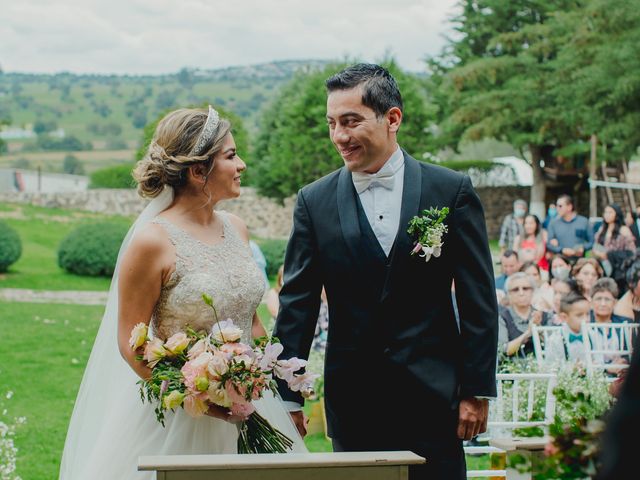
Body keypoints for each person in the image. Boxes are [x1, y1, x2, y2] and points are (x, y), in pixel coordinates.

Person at [273, 64, 498, 479]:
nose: (339, 136)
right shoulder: (313, 202)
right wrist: (287, 398)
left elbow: (478, 298)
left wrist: (477, 390)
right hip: (355, 401)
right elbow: (297, 306)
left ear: (392, 118)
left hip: (437, 398)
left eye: (351, 121)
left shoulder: (450, 191)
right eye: (332, 123)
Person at [59, 107, 305, 479]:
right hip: (179, 415)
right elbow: (132, 343)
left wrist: (275, 378)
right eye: (231, 155)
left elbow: (251, 318)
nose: (242, 165)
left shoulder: (237, 228)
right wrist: (203, 398)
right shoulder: (152, 242)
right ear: (197, 171)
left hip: (252, 401)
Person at [498, 272, 551, 358]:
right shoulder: (502, 318)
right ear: (509, 294)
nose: (521, 293)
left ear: (533, 291)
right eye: (515, 289)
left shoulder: (544, 316)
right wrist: (528, 333)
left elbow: (554, 347)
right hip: (513, 369)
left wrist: (539, 328)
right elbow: (503, 351)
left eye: (525, 288)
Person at [546, 194, 594, 262]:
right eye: (557, 206)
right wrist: (561, 250)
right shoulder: (553, 223)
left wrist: (583, 248)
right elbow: (549, 244)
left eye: (560, 206)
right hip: (561, 262)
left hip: (580, 261)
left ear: (569, 207)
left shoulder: (584, 221)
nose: (557, 209)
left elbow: (592, 241)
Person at [592, 203, 635, 276]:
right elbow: (596, 244)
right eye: (605, 212)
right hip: (602, 265)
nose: (607, 215)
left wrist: (609, 255)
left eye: (610, 212)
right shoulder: (602, 229)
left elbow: (631, 252)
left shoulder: (623, 230)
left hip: (617, 267)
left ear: (616, 214)